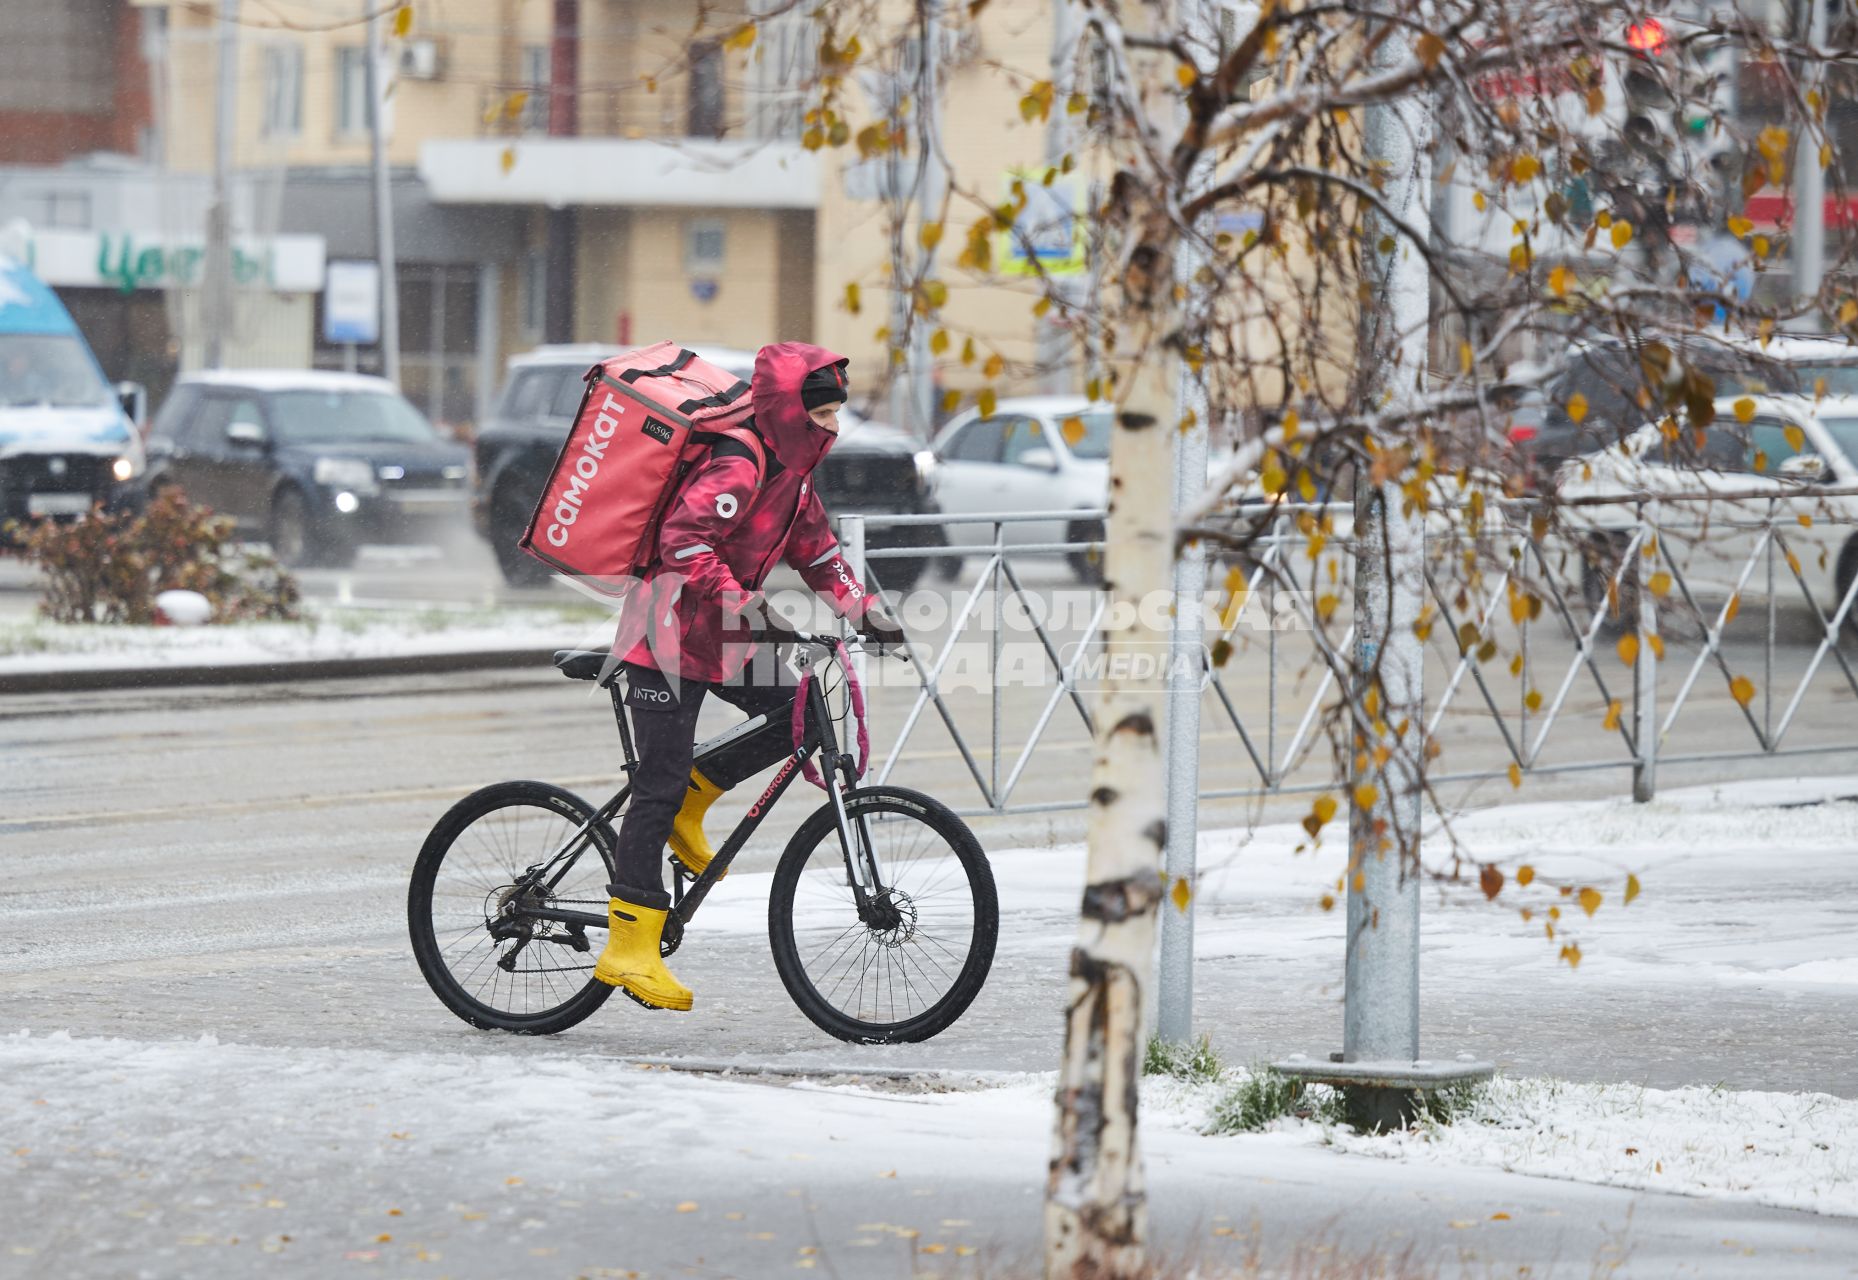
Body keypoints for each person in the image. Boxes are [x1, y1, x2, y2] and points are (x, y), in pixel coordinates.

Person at [593, 342, 904, 1011]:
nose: (832, 427)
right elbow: (683, 541)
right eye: (820, 413)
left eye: (835, 414)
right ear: (789, 411)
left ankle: (696, 797)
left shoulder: (792, 475)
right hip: (664, 633)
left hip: (719, 635)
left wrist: (865, 611)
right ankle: (629, 947)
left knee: (800, 713)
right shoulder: (739, 463)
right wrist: (751, 604)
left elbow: (818, 552)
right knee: (657, 783)